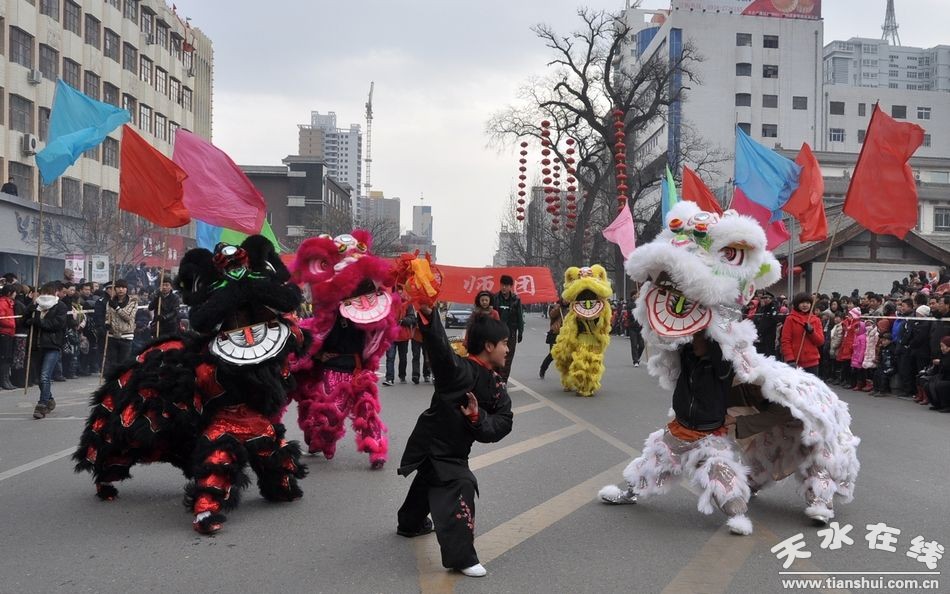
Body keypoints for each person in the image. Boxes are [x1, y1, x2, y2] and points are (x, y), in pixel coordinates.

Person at [397, 305, 513, 578]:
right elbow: (438, 347)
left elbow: (504, 422)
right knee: (460, 483)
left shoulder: (496, 385)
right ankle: (462, 558)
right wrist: (428, 314)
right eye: (505, 344)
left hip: (453, 450)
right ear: (488, 345)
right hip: (435, 444)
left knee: (429, 478)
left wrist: (476, 417)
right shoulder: (457, 370)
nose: (508, 350)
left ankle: (409, 523)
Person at [24, 283, 68, 419]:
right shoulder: (35, 306)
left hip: (52, 345)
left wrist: (38, 321)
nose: (46, 295)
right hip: (36, 345)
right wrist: (29, 314)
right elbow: (23, 322)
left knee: (45, 376)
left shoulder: (60, 306)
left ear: (55, 293)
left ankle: (41, 405)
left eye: (49, 292)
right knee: (39, 378)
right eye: (44, 292)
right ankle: (49, 398)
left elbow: (57, 325)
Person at [780, 293, 824, 375]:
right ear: (797, 304)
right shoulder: (790, 319)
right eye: (802, 303)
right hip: (795, 362)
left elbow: (820, 342)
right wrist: (790, 359)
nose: (805, 305)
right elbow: (786, 340)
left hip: (812, 362)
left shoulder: (816, 320)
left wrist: (811, 332)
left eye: (807, 303)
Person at [492, 275, 523, 382]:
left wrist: (520, 332)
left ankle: (503, 381)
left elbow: (520, 316)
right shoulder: (495, 298)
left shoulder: (516, 300)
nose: (504, 288)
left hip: (511, 333)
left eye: (506, 285)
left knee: (508, 359)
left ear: (511, 287)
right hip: (497, 333)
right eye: (502, 285)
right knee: (496, 357)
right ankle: (496, 379)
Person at [104, 279, 137, 375]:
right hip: (112, 335)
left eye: (123, 287)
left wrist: (117, 308)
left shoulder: (133, 302)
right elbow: (107, 315)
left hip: (126, 336)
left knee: (123, 363)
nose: (120, 290)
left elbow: (128, 317)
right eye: (118, 287)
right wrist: (107, 323)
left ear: (126, 289)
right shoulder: (110, 301)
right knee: (112, 363)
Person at [539, 299, 567, 379]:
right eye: (565, 299)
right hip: (556, 333)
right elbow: (552, 315)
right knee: (552, 354)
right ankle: (543, 369)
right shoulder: (555, 307)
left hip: (567, 334)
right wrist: (559, 307)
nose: (567, 301)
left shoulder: (571, 308)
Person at [752, 291, 779, 357]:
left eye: (768, 298)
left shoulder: (773, 308)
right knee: (762, 353)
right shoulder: (763, 308)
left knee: (769, 353)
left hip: (770, 334)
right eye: (764, 298)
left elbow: (773, 320)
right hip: (762, 334)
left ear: (771, 299)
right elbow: (757, 319)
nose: (766, 299)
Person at [0, 284, 16, 389]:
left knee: (8, 358)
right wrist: (12, 324)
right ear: (9, 293)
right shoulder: (2, 303)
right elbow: (2, 318)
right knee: (4, 358)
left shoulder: (9, 303)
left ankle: (6, 379)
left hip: (10, 333)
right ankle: (3, 380)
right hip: (4, 333)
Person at [627, 289, 644, 366]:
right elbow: (631, 314)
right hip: (632, 327)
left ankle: (637, 358)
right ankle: (635, 361)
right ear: (633, 295)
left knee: (641, 345)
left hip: (641, 327)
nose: (638, 295)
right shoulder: (630, 304)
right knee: (634, 345)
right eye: (637, 294)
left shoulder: (641, 303)